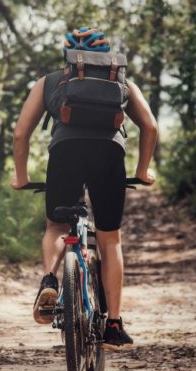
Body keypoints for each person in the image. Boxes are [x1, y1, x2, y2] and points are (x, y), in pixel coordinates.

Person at [10, 27, 158, 350]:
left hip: (66, 153)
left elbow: (21, 133)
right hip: (109, 156)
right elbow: (150, 125)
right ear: (107, 55)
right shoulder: (121, 82)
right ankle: (115, 325)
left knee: (56, 225)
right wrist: (142, 170)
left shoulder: (50, 82)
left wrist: (20, 176)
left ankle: (50, 278)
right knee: (109, 238)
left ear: (68, 55)